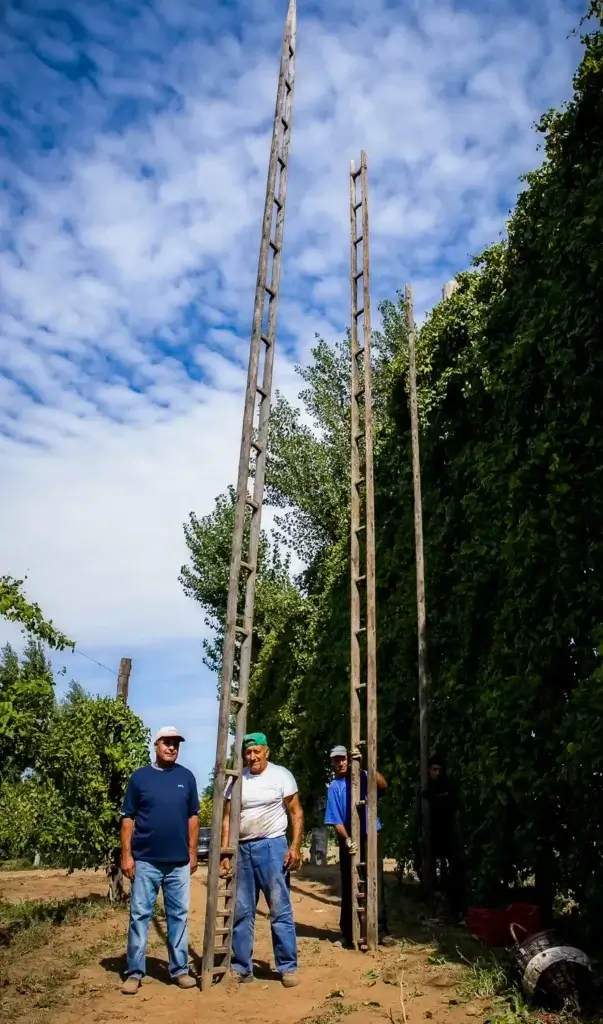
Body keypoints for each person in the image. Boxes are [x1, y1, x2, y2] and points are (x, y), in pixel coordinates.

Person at [120, 726, 200, 995]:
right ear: (156, 745)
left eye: (176, 743)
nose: (171, 747)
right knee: (140, 916)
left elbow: (193, 817)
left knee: (178, 916)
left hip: (178, 863)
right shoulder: (140, 778)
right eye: (166, 742)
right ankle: (134, 972)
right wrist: (127, 856)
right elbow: (127, 818)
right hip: (146, 861)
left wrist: (192, 853)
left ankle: (179, 971)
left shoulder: (186, 778)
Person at [221, 731, 304, 987]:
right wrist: (225, 853)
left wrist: (295, 847)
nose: (252, 756)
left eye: (257, 751)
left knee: (279, 908)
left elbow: (296, 813)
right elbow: (226, 819)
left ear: (266, 751)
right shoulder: (236, 781)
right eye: (247, 752)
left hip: (273, 847)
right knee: (242, 911)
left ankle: (287, 967)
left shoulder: (281, 775)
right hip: (243, 851)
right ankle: (242, 968)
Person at [324, 745, 395, 948]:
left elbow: (383, 785)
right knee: (349, 882)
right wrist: (346, 839)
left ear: (349, 759)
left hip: (370, 835)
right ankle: (347, 933)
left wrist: (366, 767)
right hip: (348, 837)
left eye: (343, 759)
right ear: (332, 764)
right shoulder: (334, 787)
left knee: (375, 880)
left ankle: (380, 931)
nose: (340, 763)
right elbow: (336, 820)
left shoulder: (364, 776)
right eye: (336, 760)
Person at [412, 754, 466, 920]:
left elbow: (451, 803)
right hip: (430, 836)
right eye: (434, 769)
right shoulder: (423, 790)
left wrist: (433, 798)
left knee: (456, 864)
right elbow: (416, 816)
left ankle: (450, 904)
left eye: (440, 770)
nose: (437, 773)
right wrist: (416, 837)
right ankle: (432, 902)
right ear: (428, 770)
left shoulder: (446, 787)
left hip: (446, 834)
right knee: (425, 868)